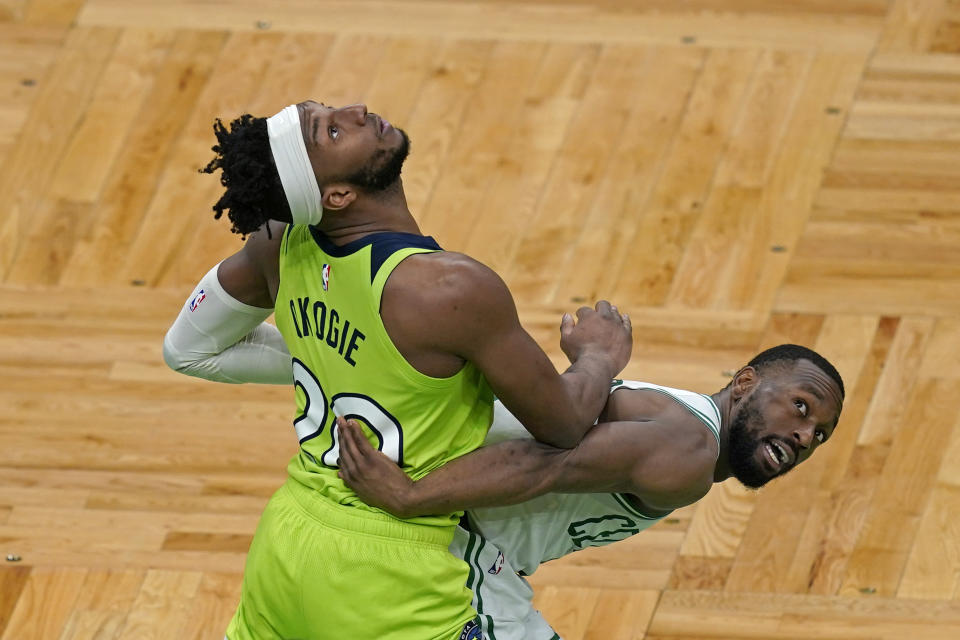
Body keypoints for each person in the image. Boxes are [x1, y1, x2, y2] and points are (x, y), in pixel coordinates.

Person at [162, 101, 632, 640]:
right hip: (388, 578)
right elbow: (566, 425)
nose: (356, 110)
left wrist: (339, 365)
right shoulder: (449, 290)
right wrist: (598, 357)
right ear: (336, 196)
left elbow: (187, 349)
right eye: (333, 131)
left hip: (283, 552)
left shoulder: (276, 245)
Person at [336, 344, 845, 639]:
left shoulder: (680, 417)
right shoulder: (691, 452)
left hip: (447, 538)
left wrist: (593, 363)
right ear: (744, 383)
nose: (805, 437)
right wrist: (410, 495)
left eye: (820, 434)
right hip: (452, 552)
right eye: (801, 407)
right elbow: (545, 465)